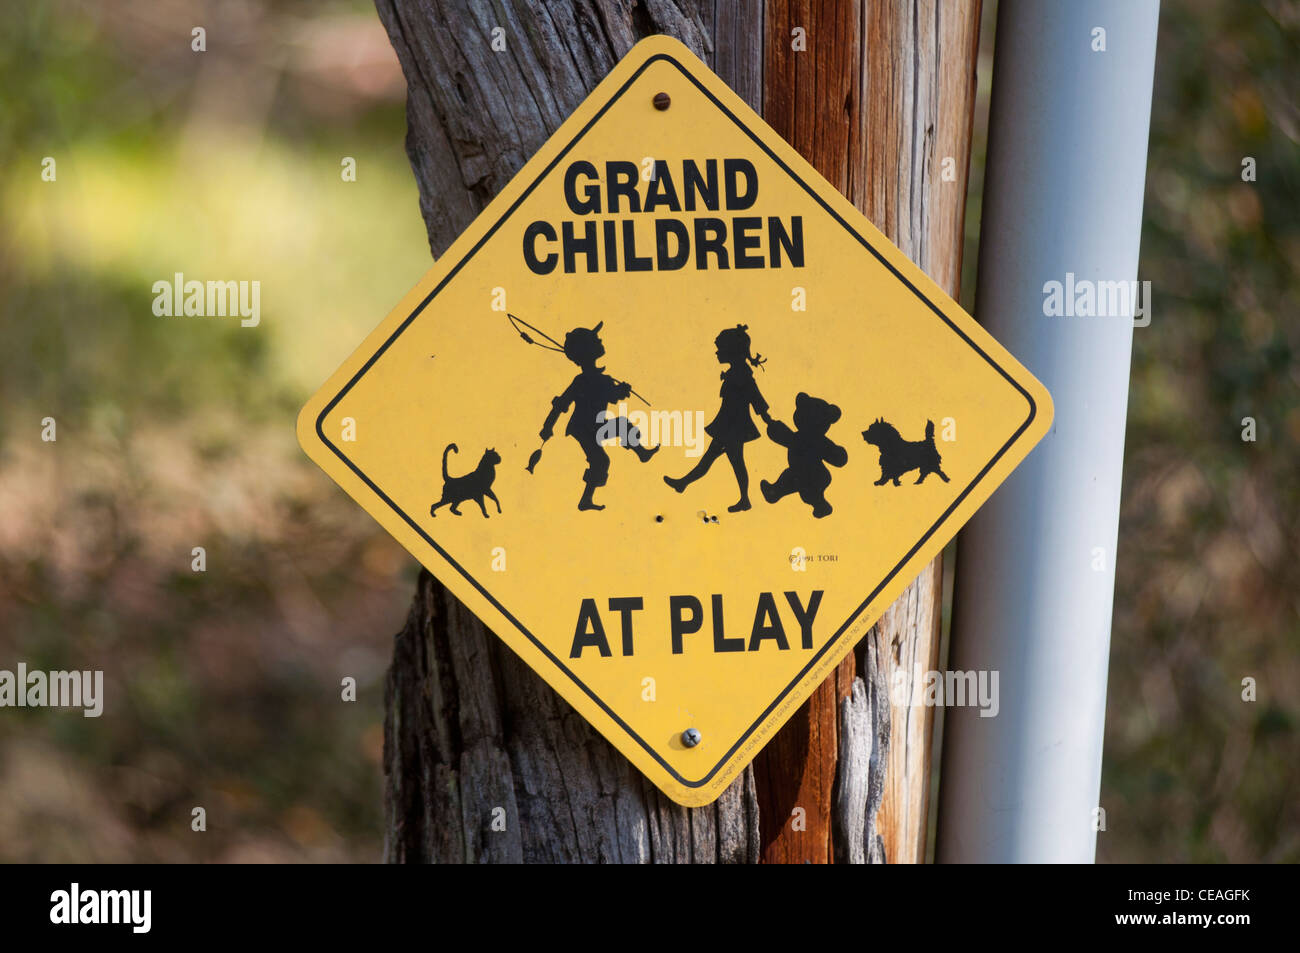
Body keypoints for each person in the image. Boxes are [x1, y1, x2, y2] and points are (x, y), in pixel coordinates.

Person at [540, 321, 657, 511]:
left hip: (596, 425)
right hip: (583, 428)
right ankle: (585, 500)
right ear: (587, 350)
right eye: (596, 340)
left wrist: (621, 390)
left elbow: (611, 396)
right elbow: (562, 403)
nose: (600, 340)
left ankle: (642, 453)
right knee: (601, 460)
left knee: (622, 426)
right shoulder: (582, 380)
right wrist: (547, 426)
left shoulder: (603, 379)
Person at [663, 324, 769, 512]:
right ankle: (684, 483)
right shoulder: (736, 372)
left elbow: (755, 396)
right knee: (717, 459)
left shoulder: (741, 374)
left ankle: (743, 499)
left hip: (734, 427)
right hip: (729, 425)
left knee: (731, 462)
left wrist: (767, 418)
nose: (717, 352)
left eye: (720, 348)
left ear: (732, 351)